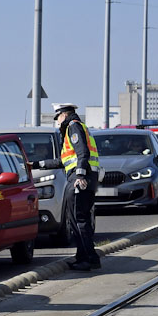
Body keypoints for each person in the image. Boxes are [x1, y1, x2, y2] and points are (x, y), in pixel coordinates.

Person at [31, 102, 101, 271]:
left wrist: (80, 175)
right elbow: (63, 161)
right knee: (79, 220)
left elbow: (82, 152)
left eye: (57, 117)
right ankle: (88, 257)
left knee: (79, 221)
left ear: (63, 115)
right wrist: (36, 164)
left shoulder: (73, 127)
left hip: (79, 180)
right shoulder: (77, 127)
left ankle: (87, 259)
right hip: (86, 178)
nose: (57, 121)